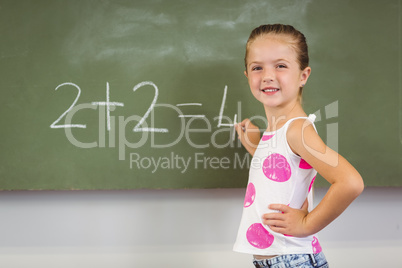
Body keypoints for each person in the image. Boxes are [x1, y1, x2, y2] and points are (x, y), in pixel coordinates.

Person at [233, 24, 364, 268]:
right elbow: (287, 173)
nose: (267, 75)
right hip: (280, 260)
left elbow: (350, 182)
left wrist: (307, 224)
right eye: (257, 67)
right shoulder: (282, 130)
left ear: (303, 76)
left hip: (292, 259)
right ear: (247, 75)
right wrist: (255, 147)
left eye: (280, 65)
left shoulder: (297, 130)